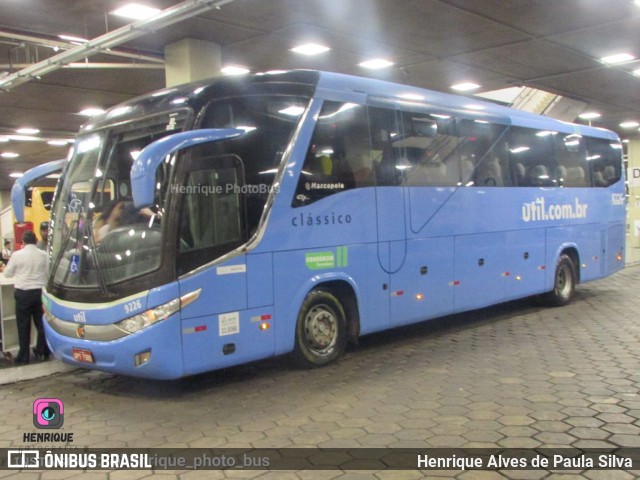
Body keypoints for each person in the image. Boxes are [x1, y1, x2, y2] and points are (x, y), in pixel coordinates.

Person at [0, 231, 49, 364]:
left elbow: (8, 273)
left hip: (23, 293)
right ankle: (42, 351)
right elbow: (48, 272)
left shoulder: (16, 255)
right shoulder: (43, 255)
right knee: (41, 324)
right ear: (35, 240)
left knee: (23, 325)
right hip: (39, 293)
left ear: (23, 242)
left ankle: (24, 356)